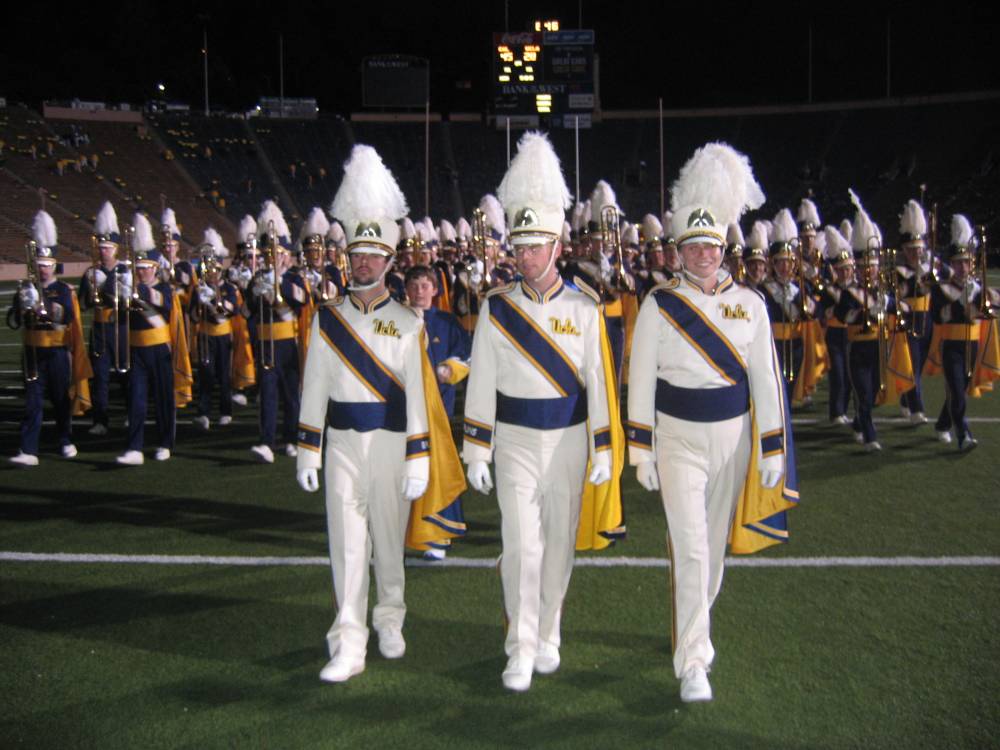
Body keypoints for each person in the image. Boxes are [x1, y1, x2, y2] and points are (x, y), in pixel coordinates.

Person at [627, 142, 797, 704]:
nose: (703, 253)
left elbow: (767, 382)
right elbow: (641, 380)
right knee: (692, 548)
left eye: (711, 244)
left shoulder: (750, 304)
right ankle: (694, 658)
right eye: (693, 245)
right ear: (679, 250)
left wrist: (772, 450)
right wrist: (640, 448)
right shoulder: (658, 304)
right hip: (676, 437)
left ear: (723, 246)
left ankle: (692, 621)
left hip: (735, 438)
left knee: (715, 549)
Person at [295, 144, 463, 684]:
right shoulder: (327, 320)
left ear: (390, 262)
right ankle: (348, 640)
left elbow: (419, 396)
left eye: (373, 255)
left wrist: (419, 458)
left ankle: (390, 616)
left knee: (389, 542)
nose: (363, 263)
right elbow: (315, 386)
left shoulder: (411, 324)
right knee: (345, 544)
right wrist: (307, 446)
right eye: (356, 255)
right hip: (342, 443)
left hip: (392, 445)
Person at [463, 131, 620, 692]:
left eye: (536, 245)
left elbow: (599, 384)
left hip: (570, 443)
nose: (525, 255)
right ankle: (520, 646)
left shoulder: (584, 308)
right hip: (515, 444)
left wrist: (604, 447)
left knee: (557, 547)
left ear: (557, 246)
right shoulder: (496, 309)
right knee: (521, 546)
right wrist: (476, 448)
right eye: (520, 246)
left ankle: (549, 632)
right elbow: (480, 383)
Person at [9, 211, 92, 466]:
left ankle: (65, 439)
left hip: (56, 351)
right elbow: (13, 322)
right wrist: (23, 306)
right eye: (40, 264)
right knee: (32, 402)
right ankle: (28, 449)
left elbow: (66, 317)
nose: (43, 268)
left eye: (47, 264)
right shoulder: (26, 288)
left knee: (59, 399)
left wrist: (44, 305)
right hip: (33, 352)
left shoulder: (62, 290)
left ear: (54, 266)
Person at [116, 213, 188, 465]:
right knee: (136, 400)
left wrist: (137, 290)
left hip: (160, 350)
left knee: (163, 399)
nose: (143, 271)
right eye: (140, 268)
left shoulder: (163, 289)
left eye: (147, 267)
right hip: (136, 351)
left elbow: (164, 304)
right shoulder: (128, 287)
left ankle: (165, 442)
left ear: (156, 268)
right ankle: (134, 447)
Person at [926, 215, 1000, 450]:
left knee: (960, 392)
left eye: (966, 262)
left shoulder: (977, 288)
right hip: (952, 346)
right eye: (958, 263)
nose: (962, 267)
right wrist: (961, 302)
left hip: (973, 345)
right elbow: (938, 316)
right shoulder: (942, 289)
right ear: (952, 264)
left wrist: (992, 298)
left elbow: (990, 312)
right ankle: (964, 435)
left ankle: (942, 425)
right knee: (957, 391)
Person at [245, 201, 306, 463]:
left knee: (291, 395)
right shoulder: (257, 278)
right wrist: (255, 292)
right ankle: (266, 442)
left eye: (279, 252)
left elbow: (303, 300)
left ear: (286, 255)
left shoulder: (294, 278)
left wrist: (282, 285)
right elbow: (247, 311)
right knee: (268, 395)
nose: (274, 257)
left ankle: (292, 438)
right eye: (270, 253)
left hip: (288, 343)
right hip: (265, 342)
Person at [79, 202, 129, 436]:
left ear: (116, 249)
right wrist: (91, 289)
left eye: (108, 248)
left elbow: (129, 301)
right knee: (99, 377)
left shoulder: (125, 271)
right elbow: (82, 304)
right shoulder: (90, 272)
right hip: (99, 327)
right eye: (101, 247)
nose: (103, 251)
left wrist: (106, 285)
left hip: (120, 326)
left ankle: (131, 414)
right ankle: (100, 420)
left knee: (125, 374)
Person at [190, 229, 237, 430]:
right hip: (205, 336)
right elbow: (192, 316)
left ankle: (226, 411)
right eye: (208, 270)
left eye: (215, 270)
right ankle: (203, 412)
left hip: (224, 336)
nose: (212, 274)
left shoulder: (229, 288)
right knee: (206, 374)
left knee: (224, 376)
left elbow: (230, 311)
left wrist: (214, 301)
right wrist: (200, 302)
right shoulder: (198, 289)